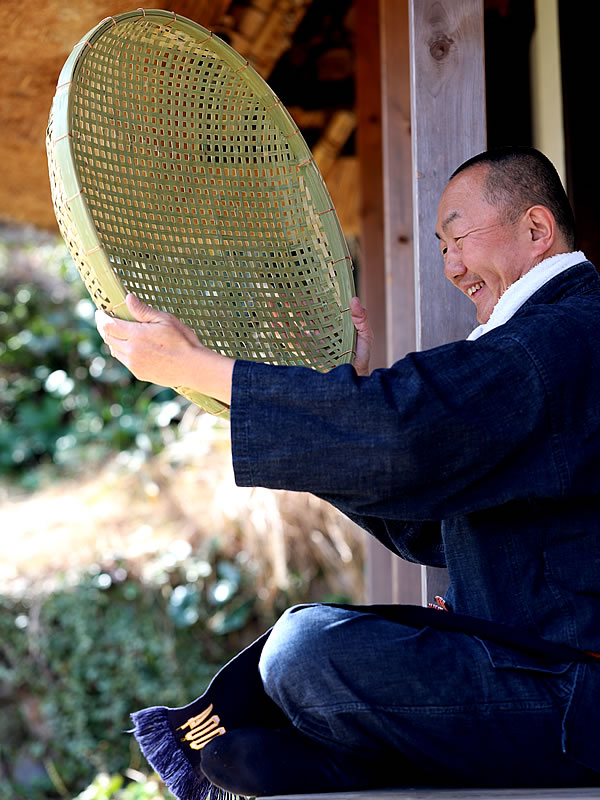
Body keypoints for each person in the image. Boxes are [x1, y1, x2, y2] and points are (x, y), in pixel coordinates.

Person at [96, 146, 600, 793]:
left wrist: (201, 368)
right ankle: (357, 752)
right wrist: (344, 398)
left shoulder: (567, 334)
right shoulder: (551, 339)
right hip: (543, 683)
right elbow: (431, 528)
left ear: (535, 229)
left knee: (305, 651)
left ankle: (361, 755)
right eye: (441, 248)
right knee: (308, 640)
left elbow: (407, 428)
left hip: (574, 694)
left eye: (457, 239)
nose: (451, 267)